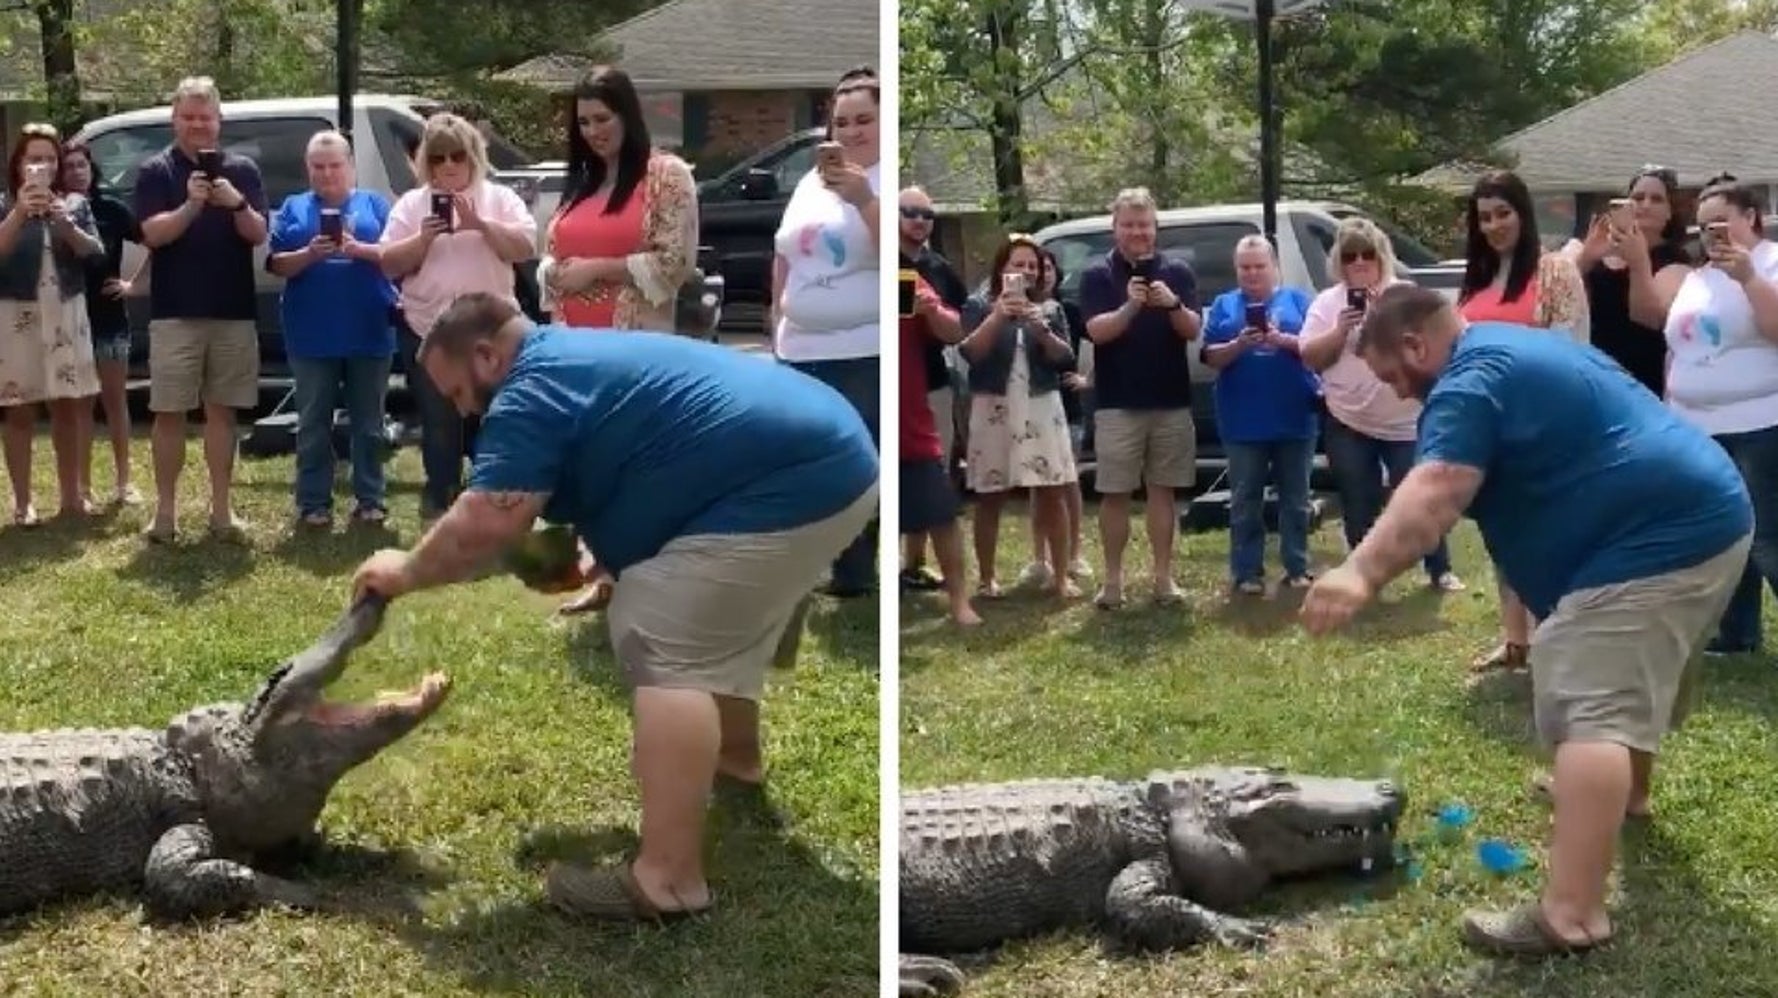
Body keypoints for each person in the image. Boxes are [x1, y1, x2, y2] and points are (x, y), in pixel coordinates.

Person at [349, 292, 878, 922]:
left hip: (793, 481)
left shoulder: (528, 390)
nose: (463, 410)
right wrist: (602, 548)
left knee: (658, 633)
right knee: (704, 615)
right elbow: (639, 449)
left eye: (459, 392)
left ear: (487, 355)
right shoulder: (569, 355)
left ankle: (668, 882)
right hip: (831, 455)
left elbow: (487, 520)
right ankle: (735, 760)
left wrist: (405, 570)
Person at [1301, 283, 1751, 958]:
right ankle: (1627, 796)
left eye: (1393, 376)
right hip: (1704, 518)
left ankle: (1572, 917)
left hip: (1656, 540)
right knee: (1626, 677)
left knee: (1590, 705)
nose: (1398, 392)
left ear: (1416, 345)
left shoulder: (1467, 382)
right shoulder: (1509, 346)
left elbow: (1437, 489)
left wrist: (1359, 572)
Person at [536, 65, 700, 616]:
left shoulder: (666, 176)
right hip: (577, 349)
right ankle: (604, 573)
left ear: (628, 115)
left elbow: (675, 262)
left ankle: (651, 578)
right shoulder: (582, 181)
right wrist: (555, 273)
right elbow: (551, 255)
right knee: (592, 467)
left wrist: (598, 269)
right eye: (584, 122)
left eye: (603, 119)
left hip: (637, 349)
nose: (593, 131)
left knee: (639, 468)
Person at [1456, 169, 1590, 675]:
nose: (1494, 225)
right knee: (1503, 535)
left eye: (1503, 213)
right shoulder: (1477, 276)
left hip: (1543, 423)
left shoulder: (1555, 271)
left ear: (1523, 214)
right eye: (1484, 217)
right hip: (1489, 428)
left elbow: (1570, 351)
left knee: (1549, 537)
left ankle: (1558, 638)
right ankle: (1515, 640)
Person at [380, 112, 537, 522]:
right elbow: (387, 263)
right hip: (428, 330)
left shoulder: (499, 198)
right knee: (439, 421)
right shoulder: (412, 204)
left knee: (497, 418)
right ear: (425, 162)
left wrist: (480, 224)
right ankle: (442, 498)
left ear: (473, 156)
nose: (448, 165)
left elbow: (525, 246)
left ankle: (495, 500)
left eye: (457, 156)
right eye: (438, 157)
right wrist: (423, 239)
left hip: (492, 335)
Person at [132, 75, 269, 542]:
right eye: (188, 117)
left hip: (233, 311)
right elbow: (153, 235)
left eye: (204, 117)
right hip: (175, 312)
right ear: (174, 119)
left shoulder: (242, 170)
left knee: (223, 413)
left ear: (219, 120)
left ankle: (222, 512)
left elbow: (258, 234)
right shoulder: (156, 171)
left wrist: (237, 203)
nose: (196, 125)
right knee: (169, 414)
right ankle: (165, 513)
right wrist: (192, 205)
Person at [1300, 217, 1463, 592]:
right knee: (1358, 500)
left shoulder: (1403, 294)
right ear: (1339, 262)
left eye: (1367, 254)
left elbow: (1440, 338)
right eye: (1350, 256)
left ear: (1381, 256)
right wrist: (1340, 330)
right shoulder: (1328, 303)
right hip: (1349, 420)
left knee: (1421, 497)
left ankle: (1439, 569)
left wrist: (1384, 319)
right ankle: (1365, 575)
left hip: (1406, 423)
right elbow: (1309, 356)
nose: (1359, 262)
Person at [771, 67, 882, 598]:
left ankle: (855, 571)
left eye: (864, 120)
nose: (852, 131)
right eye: (842, 122)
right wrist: (776, 316)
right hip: (799, 345)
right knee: (803, 458)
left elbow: (905, 260)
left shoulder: (886, 181)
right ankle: (809, 563)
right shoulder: (809, 184)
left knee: (856, 461)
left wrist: (864, 200)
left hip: (863, 348)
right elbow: (783, 252)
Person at [1662, 173, 1778, 656]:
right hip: (1699, 427)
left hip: (1760, 423)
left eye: (1721, 222)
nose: (1711, 235)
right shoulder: (1698, 277)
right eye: (1703, 226)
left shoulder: (1770, 263)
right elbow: (1677, 345)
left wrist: (1747, 277)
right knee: (1727, 533)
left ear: (1750, 217)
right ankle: (1737, 632)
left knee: (1769, 536)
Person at [266, 130, 399, 527]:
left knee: (369, 424)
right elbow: (276, 265)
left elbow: (398, 258)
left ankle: (370, 498)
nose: (327, 174)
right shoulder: (293, 207)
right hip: (311, 334)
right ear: (308, 168)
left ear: (351, 166)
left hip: (369, 329)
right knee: (312, 423)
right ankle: (313, 502)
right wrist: (309, 254)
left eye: (335, 165)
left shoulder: (375, 205)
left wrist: (360, 249)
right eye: (318, 167)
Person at [1077, 187, 1201, 608]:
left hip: (1170, 400)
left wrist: (1173, 304)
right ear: (1115, 228)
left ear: (1155, 227)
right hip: (1117, 403)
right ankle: (1113, 581)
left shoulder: (1177, 271)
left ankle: (1163, 578)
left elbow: (1192, 330)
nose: (1137, 232)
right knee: (1115, 494)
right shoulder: (1097, 275)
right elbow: (1096, 332)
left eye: (1144, 225)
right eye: (1128, 225)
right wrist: (1131, 307)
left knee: (1163, 491)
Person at [959, 235, 1079, 600]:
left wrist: (1041, 329)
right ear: (1002, 268)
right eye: (1018, 265)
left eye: (1032, 266)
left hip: (1041, 403)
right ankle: (987, 579)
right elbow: (970, 353)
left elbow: (1065, 359)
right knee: (991, 494)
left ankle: (1060, 577)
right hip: (993, 405)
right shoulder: (978, 304)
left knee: (1052, 490)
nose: (1025, 272)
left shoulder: (1050, 309)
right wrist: (998, 316)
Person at [1200, 235, 1318, 593]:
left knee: (1296, 499)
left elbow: (1318, 351)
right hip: (1242, 421)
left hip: (1295, 416)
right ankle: (1246, 571)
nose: (1252, 273)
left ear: (1275, 267)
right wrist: (1239, 344)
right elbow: (1210, 358)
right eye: (1245, 267)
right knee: (1245, 499)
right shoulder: (1223, 305)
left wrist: (1282, 340)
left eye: (1259, 266)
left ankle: (1297, 566)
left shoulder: (1299, 301)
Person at [0, 122, 105, 525]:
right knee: (19, 409)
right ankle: (23, 502)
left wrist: (66, 224)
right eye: (34, 159)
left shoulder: (74, 204)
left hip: (65, 310)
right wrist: (19, 212)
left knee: (68, 406)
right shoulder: (6, 203)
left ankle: (71, 497)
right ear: (19, 164)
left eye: (49, 159)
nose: (42, 167)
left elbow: (95, 253)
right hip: (17, 314)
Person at [61, 139, 145, 508]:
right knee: (81, 405)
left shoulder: (111, 209)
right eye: (68, 166)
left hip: (109, 316)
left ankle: (124, 481)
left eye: (81, 165)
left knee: (115, 400)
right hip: (70, 317)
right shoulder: (55, 211)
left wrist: (134, 284)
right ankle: (82, 486)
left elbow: (154, 242)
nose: (76, 172)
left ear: (91, 169)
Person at [1565, 165, 1692, 398]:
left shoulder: (1676, 262)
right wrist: (1586, 260)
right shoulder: (1600, 254)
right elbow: (1566, 304)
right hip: (1596, 375)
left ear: (1669, 212)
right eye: (1638, 198)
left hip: (1644, 380)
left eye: (1656, 199)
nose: (1645, 205)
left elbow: (1648, 317)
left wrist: (1638, 263)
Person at [897, 185, 968, 592]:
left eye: (927, 215)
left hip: (932, 381)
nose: (919, 221)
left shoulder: (939, 269)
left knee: (929, 474)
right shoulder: (875, 261)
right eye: (910, 212)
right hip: (886, 381)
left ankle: (914, 563)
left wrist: (933, 312)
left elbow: (960, 327)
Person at [901, 270, 979, 626]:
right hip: (860, 408)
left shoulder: (903, 278)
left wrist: (931, 310)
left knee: (940, 512)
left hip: (910, 418)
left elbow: (955, 331)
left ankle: (959, 601)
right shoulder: (841, 280)